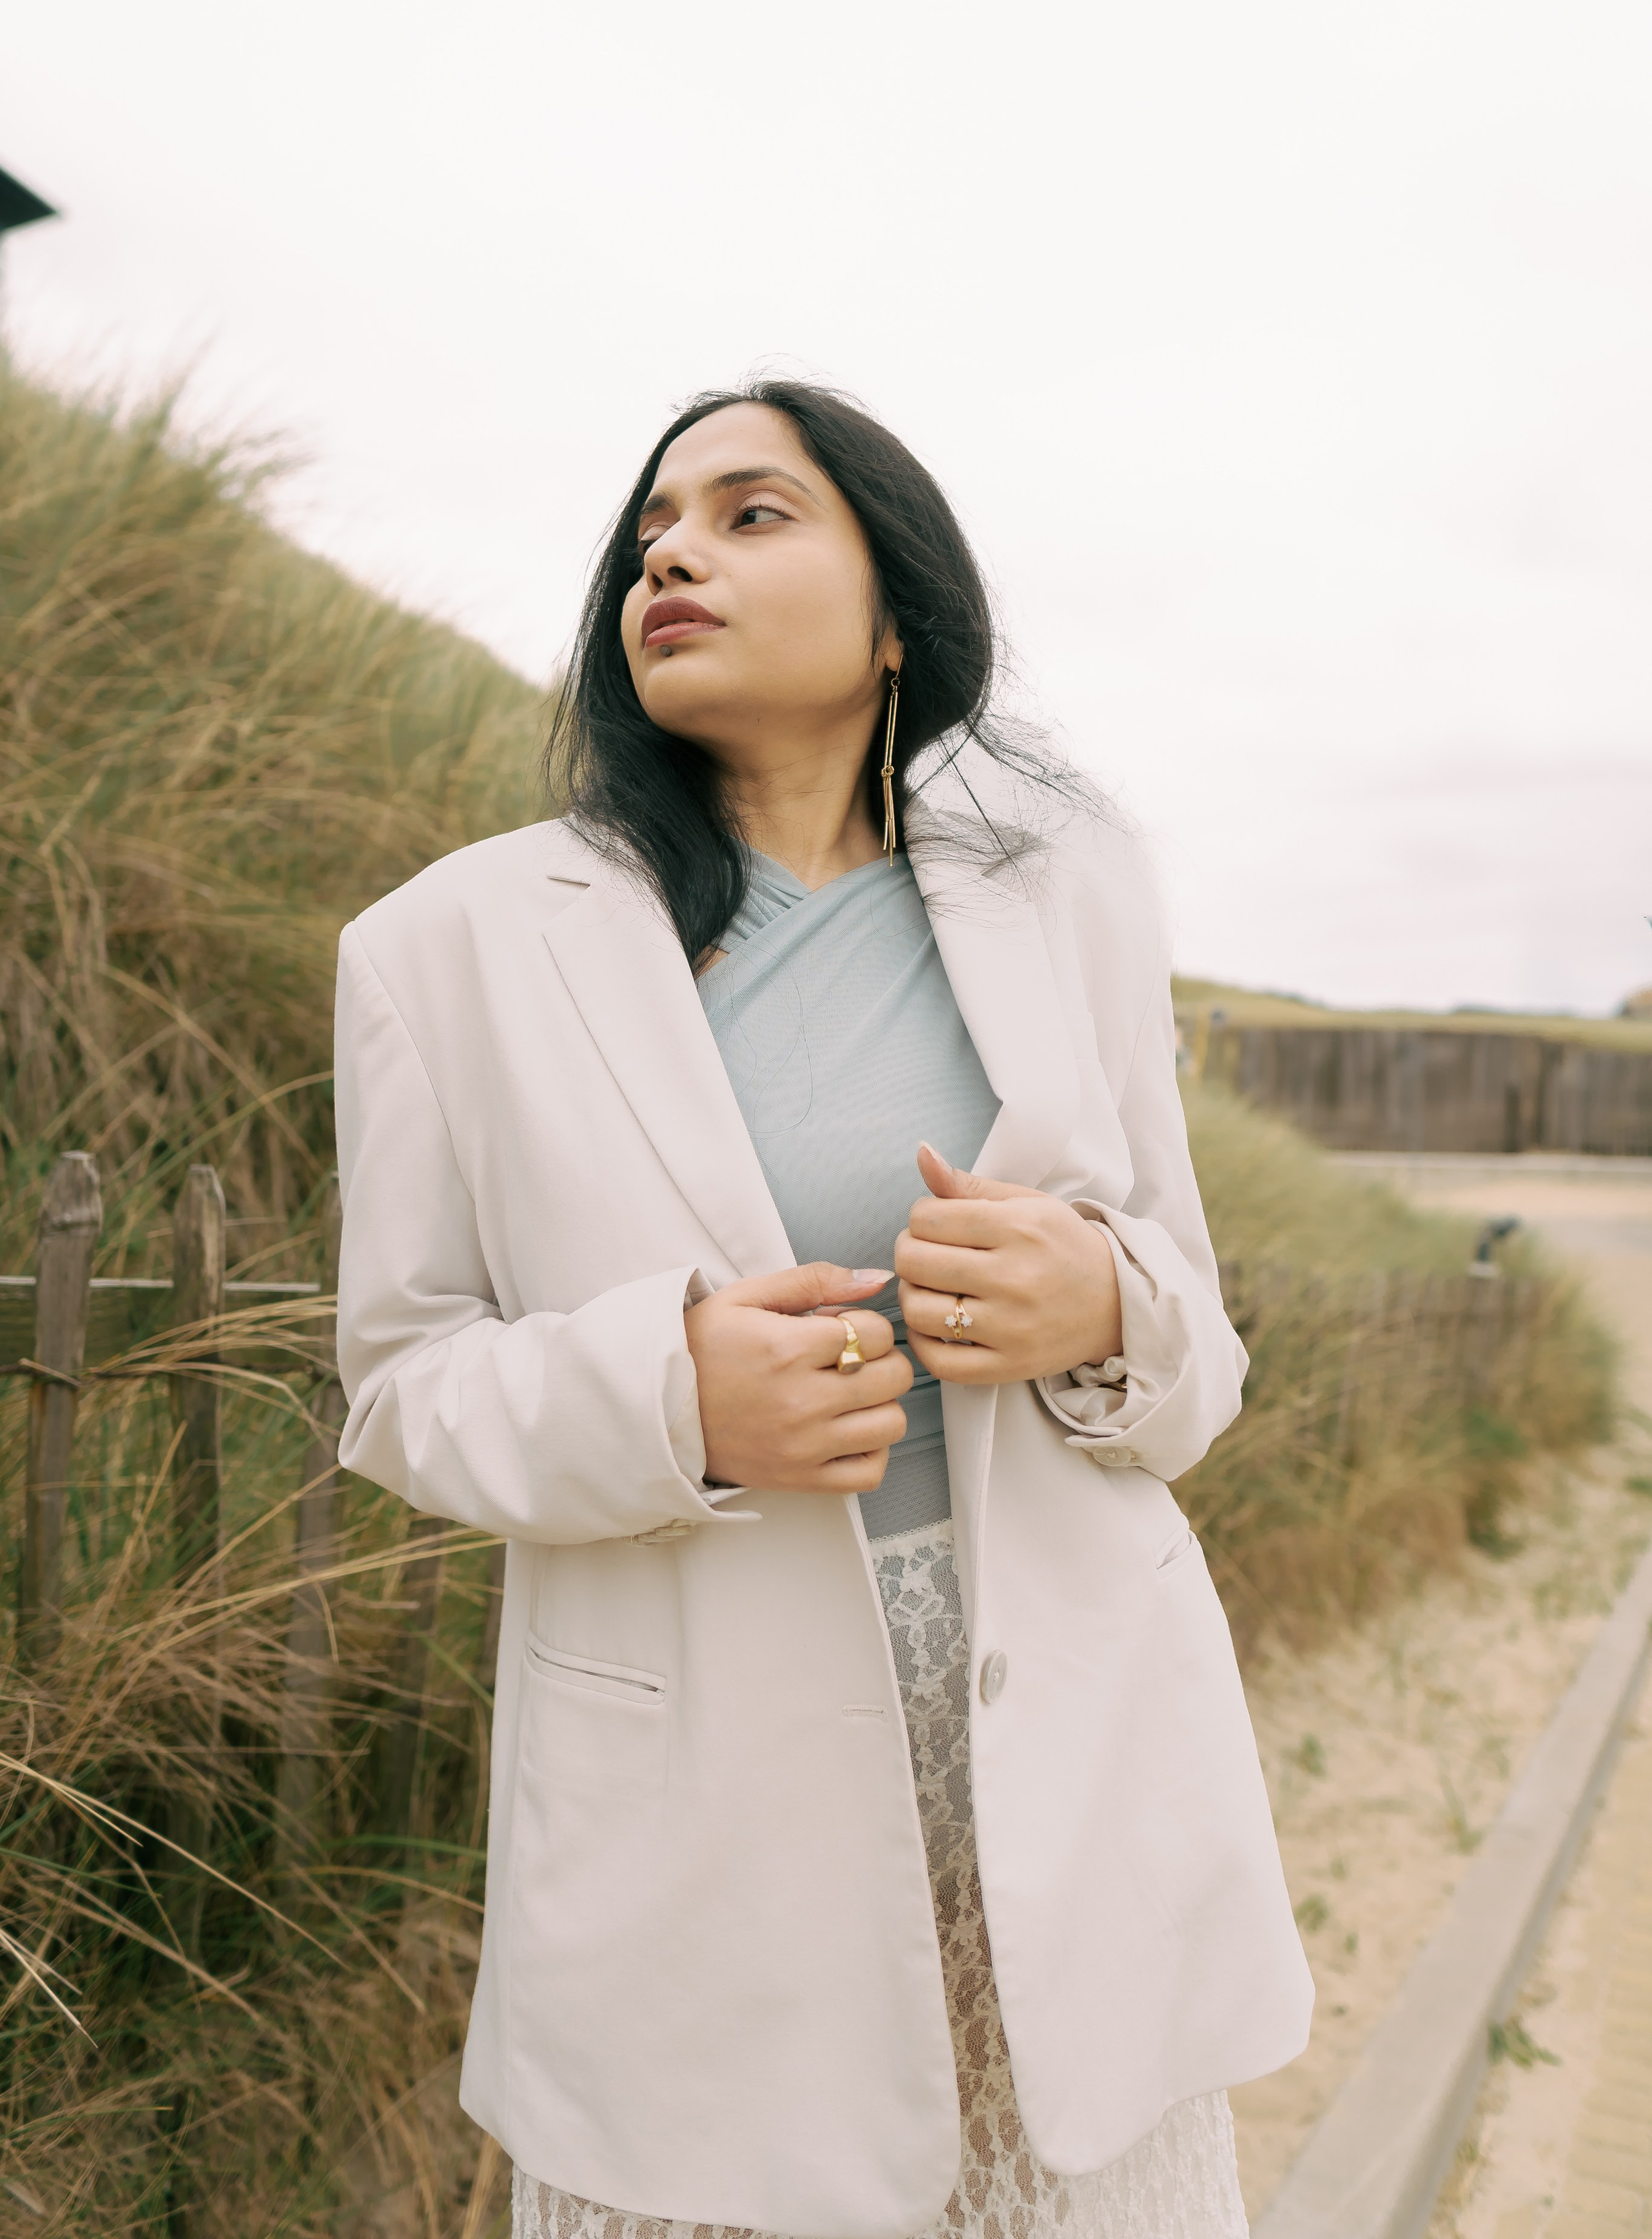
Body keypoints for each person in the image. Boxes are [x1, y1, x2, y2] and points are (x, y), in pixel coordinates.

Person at [334, 381, 1312, 2239]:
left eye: (750, 512)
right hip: (704, 1801)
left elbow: (1196, 1348)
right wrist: (670, 1397)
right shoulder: (441, 949)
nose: (674, 552)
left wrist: (1101, 1292)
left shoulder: (1076, 890)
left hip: (1076, 1764)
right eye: (651, 531)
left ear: (894, 620)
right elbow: (398, 1386)